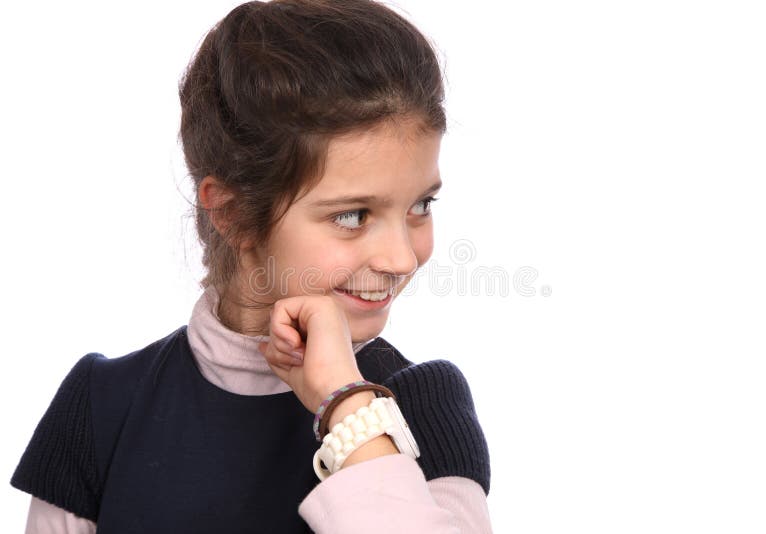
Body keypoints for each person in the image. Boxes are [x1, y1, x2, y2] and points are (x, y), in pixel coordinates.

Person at [10, 1, 492, 532]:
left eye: (420, 206)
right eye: (353, 215)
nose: (402, 257)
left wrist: (345, 401)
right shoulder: (102, 407)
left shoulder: (426, 405)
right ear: (235, 215)